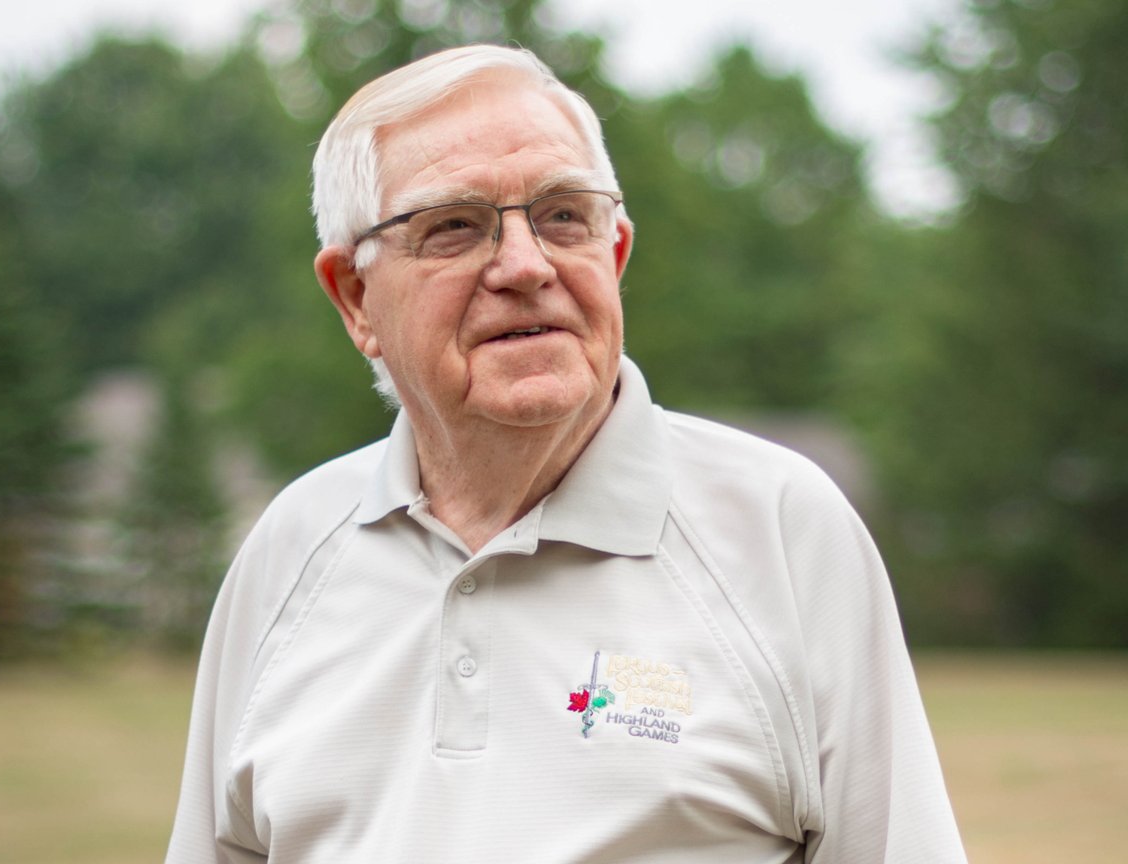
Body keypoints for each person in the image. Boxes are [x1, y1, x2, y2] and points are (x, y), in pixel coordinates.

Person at [165, 44, 967, 863]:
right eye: (454, 226)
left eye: (562, 215)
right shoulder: (290, 551)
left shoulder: (781, 530)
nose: (524, 265)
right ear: (355, 297)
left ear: (613, 254)